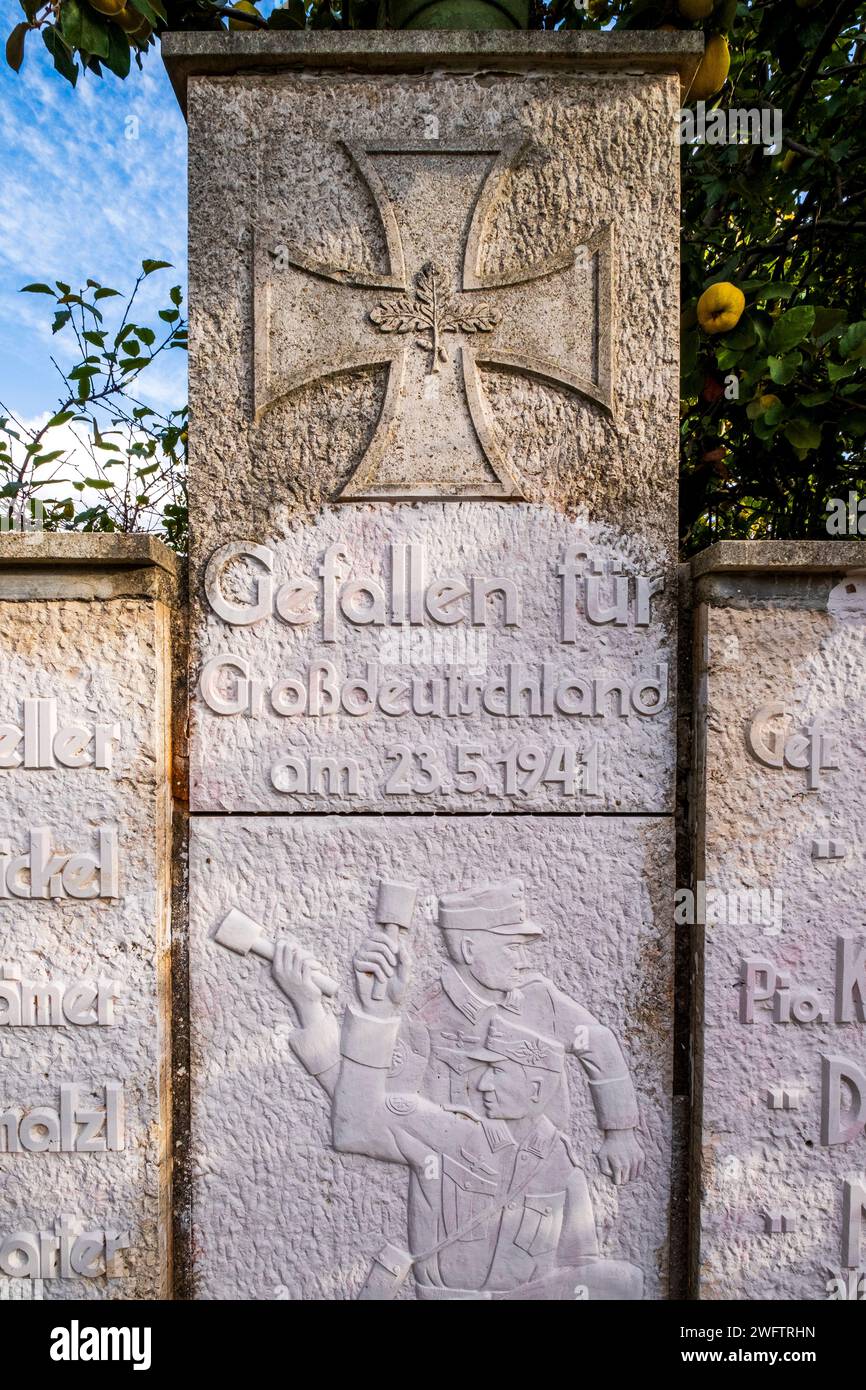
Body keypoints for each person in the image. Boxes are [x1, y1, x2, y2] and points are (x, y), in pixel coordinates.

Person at [331, 927, 643, 1300]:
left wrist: (620, 1130)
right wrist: (377, 1011)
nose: (481, 1086)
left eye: (496, 1072)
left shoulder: (562, 1166)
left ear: (537, 1089)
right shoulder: (451, 1135)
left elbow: (579, 1274)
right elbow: (355, 1126)